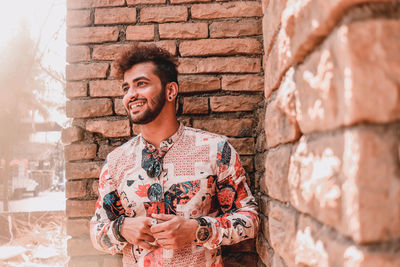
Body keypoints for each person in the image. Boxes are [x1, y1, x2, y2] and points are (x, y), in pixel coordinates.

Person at [90, 44, 259, 267]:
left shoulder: (216, 149)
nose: (131, 95)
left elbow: (250, 219)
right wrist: (121, 229)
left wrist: (199, 230)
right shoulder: (116, 161)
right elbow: (96, 231)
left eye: (141, 84)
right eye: (126, 88)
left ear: (170, 91)